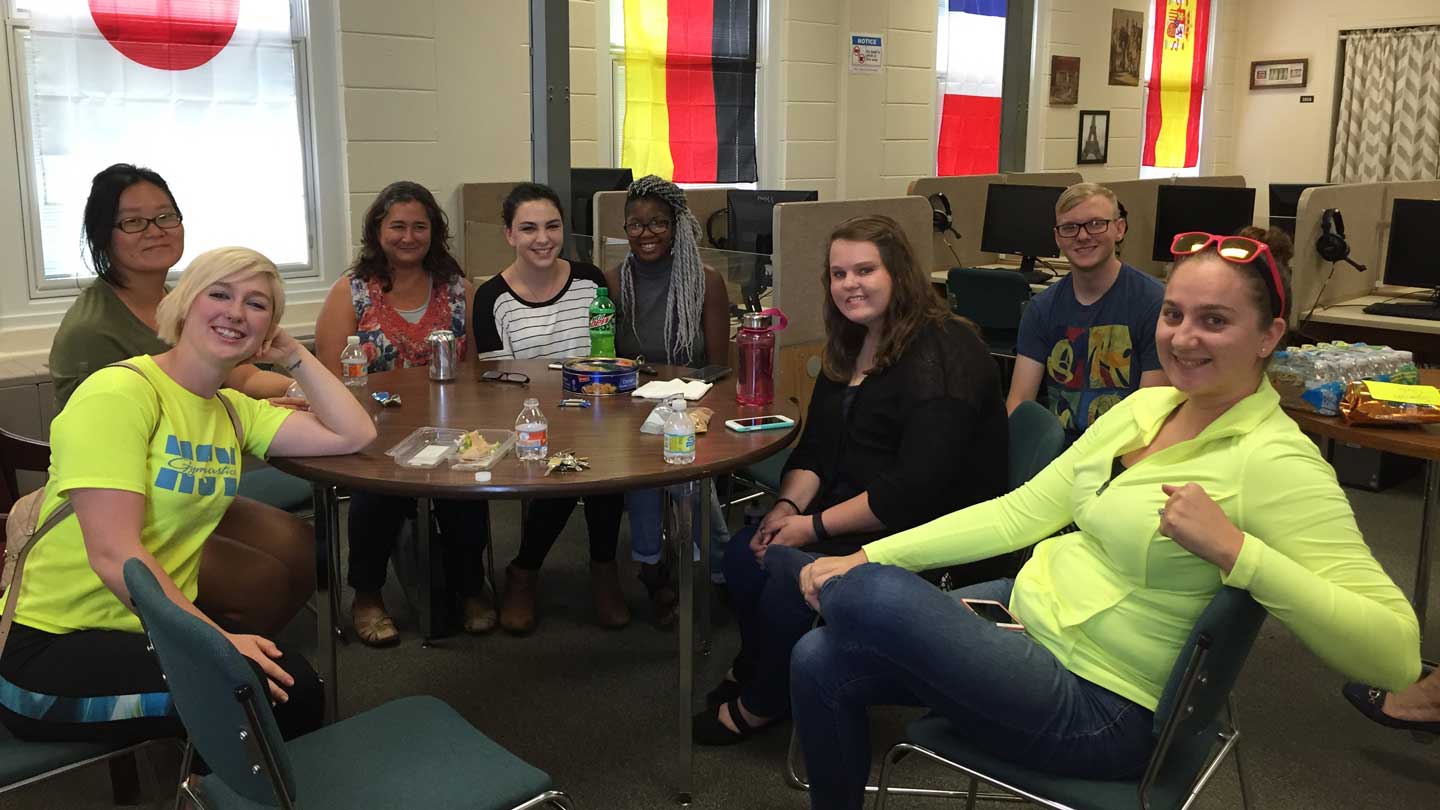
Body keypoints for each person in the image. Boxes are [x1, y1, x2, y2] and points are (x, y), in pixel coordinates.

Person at [783, 227, 1421, 810]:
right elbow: (1021, 512)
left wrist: (1238, 554)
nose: (1183, 337)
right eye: (1172, 314)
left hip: (1103, 704)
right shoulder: (1147, 407)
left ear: (1269, 336)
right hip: (1030, 620)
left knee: (864, 595)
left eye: (1215, 320)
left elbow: (1393, 656)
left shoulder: (1276, 461)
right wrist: (866, 555)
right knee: (819, 656)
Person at [0, 246, 376, 745]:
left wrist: (292, 354)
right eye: (219, 294)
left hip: (145, 628)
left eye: (257, 304)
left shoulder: (233, 410)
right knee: (276, 698)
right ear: (183, 305)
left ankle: (205, 779)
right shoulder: (120, 393)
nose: (236, 311)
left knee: (291, 688)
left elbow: (355, 434)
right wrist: (215, 641)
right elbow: (116, 555)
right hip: (51, 649)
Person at [693, 215, 1013, 745]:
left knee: (783, 574)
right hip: (854, 512)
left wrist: (811, 530)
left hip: (924, 533)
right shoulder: (853, 343)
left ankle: (765, 701)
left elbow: (914, 490)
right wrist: (787, 511)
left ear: (900, 275)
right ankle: (764, 666)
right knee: (745, 553)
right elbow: (817, 448)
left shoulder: (945, 353)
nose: (850, 284)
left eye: (865, 269)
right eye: (839, 274)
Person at [47, 162, 314, 634]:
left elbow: (244, 377)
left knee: (302, 545)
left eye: (166, 216)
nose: (155, 231)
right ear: (103, 233)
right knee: (265, 580)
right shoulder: (94, 329)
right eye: (133, 221)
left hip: (191, 478)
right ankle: (214, 659)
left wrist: (303, 390)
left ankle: (244, 645)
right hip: (136, 504)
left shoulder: (183, 299)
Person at [315, 180, 493, 646]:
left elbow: (477, 370)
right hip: (374, 431)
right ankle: (368, 595)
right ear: (377, 230)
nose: (409, 236)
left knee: (467, 490)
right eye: (398, 226)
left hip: (449, 425)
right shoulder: (350, 292)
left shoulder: (458, 290)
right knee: (378, 494)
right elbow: (331, 379)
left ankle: (471, 587)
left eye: (420, 226)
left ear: (434, 232)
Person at [473, 182, 628, 634]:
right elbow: (494, 384)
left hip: (594, 410)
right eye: (528, 228)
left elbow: (605, 351)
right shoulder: (492, 298)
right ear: (509, 235)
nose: (542, 238)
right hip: (530, 419)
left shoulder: (590, 280)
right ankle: (527, 571)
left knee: (603, 463)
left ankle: (598, 569)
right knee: (571, 464)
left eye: (552, 226)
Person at [603, 174, 732, 627]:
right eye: (635, 225)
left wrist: (693, 411)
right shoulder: (615, 282)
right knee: (643, 476)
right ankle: (654, 573)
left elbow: (718, 367)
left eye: (657, 222)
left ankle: (717, 573)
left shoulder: (706, 283)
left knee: (687, 481)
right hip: (631, 411)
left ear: (677, 225)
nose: (646, 233)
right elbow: (607, 358)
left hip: (692, 409)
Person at [1007, 182, 1167, 444]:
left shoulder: (1152, 303)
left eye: (1095, 224)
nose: (1082, 236)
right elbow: (1020, 400)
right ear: (1058, 238)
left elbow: (1151, 411)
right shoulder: (1042, 309)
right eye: (1069, 228)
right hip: (1057, 453)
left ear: (1119, 229)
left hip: (1123, 452)